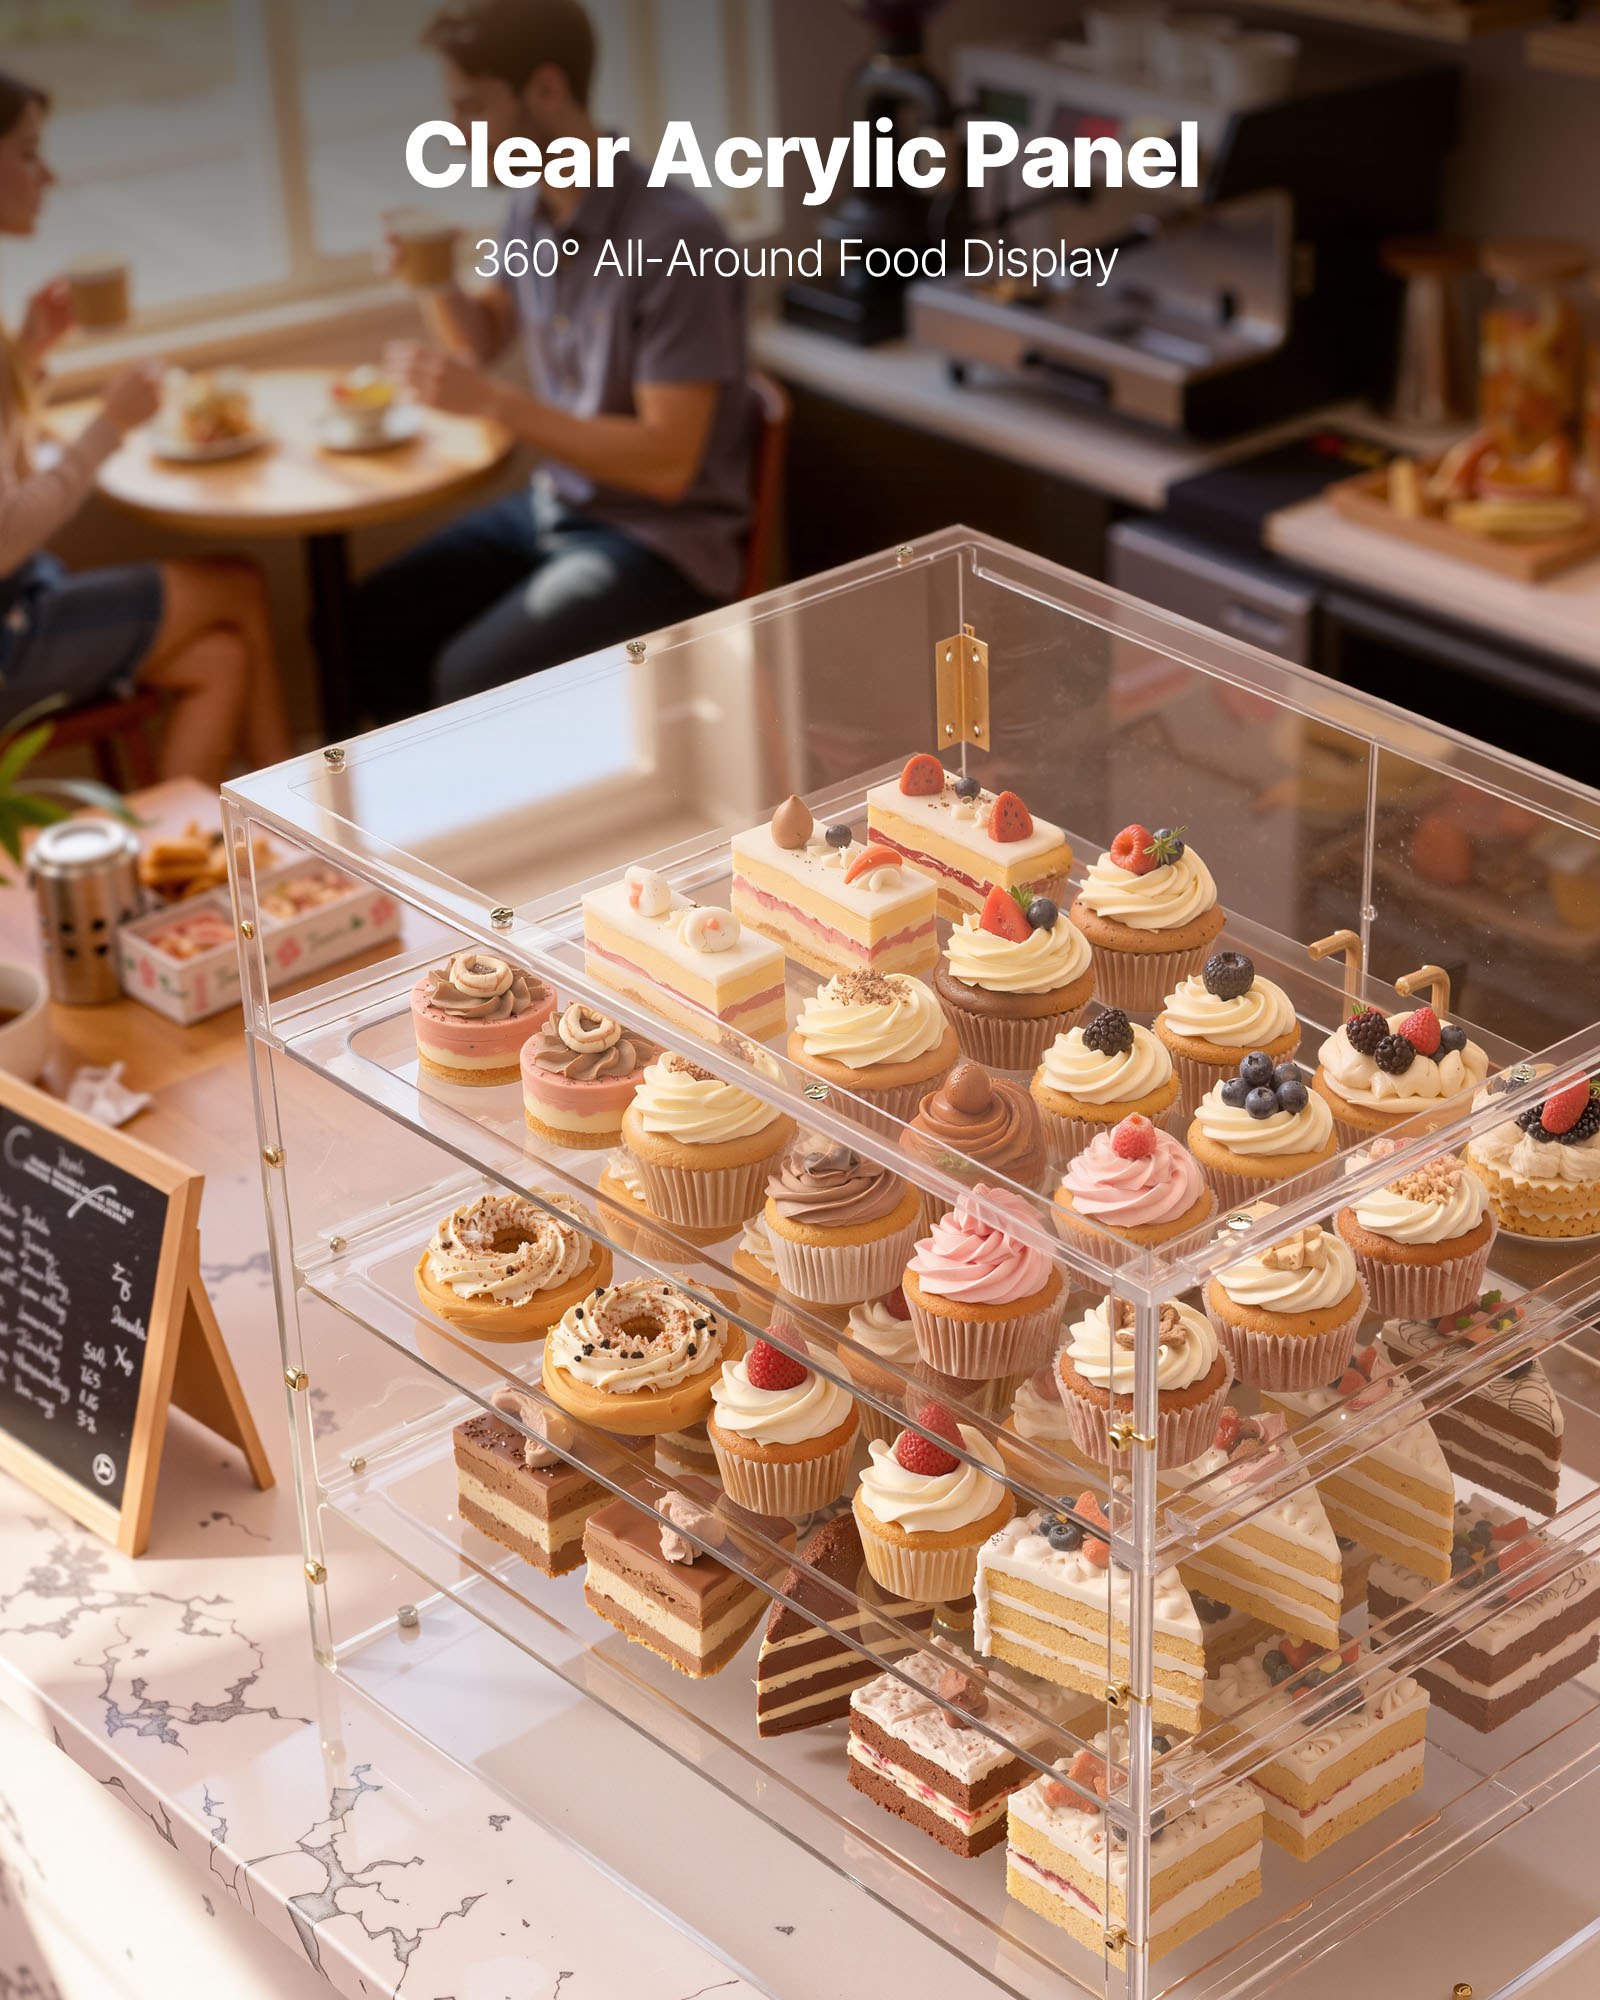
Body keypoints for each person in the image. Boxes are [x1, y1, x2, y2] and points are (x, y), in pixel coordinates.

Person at [351, 0, 752, 721]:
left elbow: (667, 464)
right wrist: (431, 275)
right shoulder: (531, 209)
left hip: (659, 543)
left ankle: (477, 828)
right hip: (560, 506)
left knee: (466, 677)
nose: (456, 133)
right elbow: (478, 338)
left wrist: (496, 403)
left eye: (472, 107)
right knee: (359, 625)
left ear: (546, 89)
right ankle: (396, 829)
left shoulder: (674, 239)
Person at [0, 72, 291, 786]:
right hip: (11, 629)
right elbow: (6, 532)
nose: (49, 175)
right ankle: (308, 823)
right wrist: (110, 425)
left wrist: (29, 355)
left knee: (221, 657)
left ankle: (171, 874)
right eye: (29, 153)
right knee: (240, 586)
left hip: (20, 602)